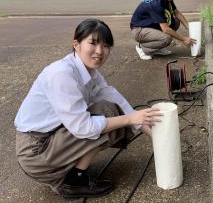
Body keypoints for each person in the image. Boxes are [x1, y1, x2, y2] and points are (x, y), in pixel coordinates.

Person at [14, 18, 162, 199]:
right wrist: (130, 119)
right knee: (109, 115)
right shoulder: (62, 74)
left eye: (106, 46)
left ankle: (72, 170)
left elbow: (117, 100)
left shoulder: (89, 71)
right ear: (76, 44)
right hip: (36, 151)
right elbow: (83, 127)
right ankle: (74, 182)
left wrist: (155, 137)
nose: (100, 51)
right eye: (93, 43)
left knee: (111, 110)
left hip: (51, 137)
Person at [130, 0, 197, 60]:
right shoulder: (157, 4)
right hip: (138, 30)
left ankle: (157, 48)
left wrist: (189, 28)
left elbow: (177, 13)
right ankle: (142, 48)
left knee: (175, 22)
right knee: (166, 38)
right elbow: (165, 29)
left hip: (148, 26)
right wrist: (184, 39)